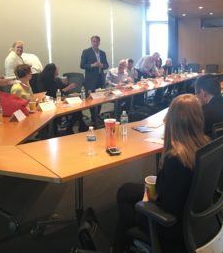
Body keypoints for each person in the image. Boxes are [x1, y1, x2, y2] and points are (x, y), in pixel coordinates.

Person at [113, 94, 209, 253]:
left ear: (172, 122)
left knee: (125, 199)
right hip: (194, 217)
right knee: (127, 190)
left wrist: (149, 196)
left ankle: (125, 244)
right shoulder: (204, 144)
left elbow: (165, 205)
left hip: (170, 225)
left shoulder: (177, 159)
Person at [38, 63, 88, 134]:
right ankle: (78, 127)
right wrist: (67, 88)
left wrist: (67, 84)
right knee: (77, 111)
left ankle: (75, 128)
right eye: (56, 69)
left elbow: (64, 87)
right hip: (52, 103)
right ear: (52, 71)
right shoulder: (46, 81)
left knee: (77, 109)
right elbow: (53, 94)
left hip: (60, 101)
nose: (58, 70)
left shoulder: (57, 79)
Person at [80, 35, 109, 122]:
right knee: (92, 98)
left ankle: (97, 115)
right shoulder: (86, 52)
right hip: (91, 80)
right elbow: (82, 65)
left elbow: (107, 65)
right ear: (91, 42)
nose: (95, 43)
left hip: (100, 78)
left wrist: (102, 65)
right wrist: (93, 65)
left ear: (99, 42)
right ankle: (93, 117)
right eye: (94, 41)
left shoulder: (102, 53)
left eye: (97, 41)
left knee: (100, 98)